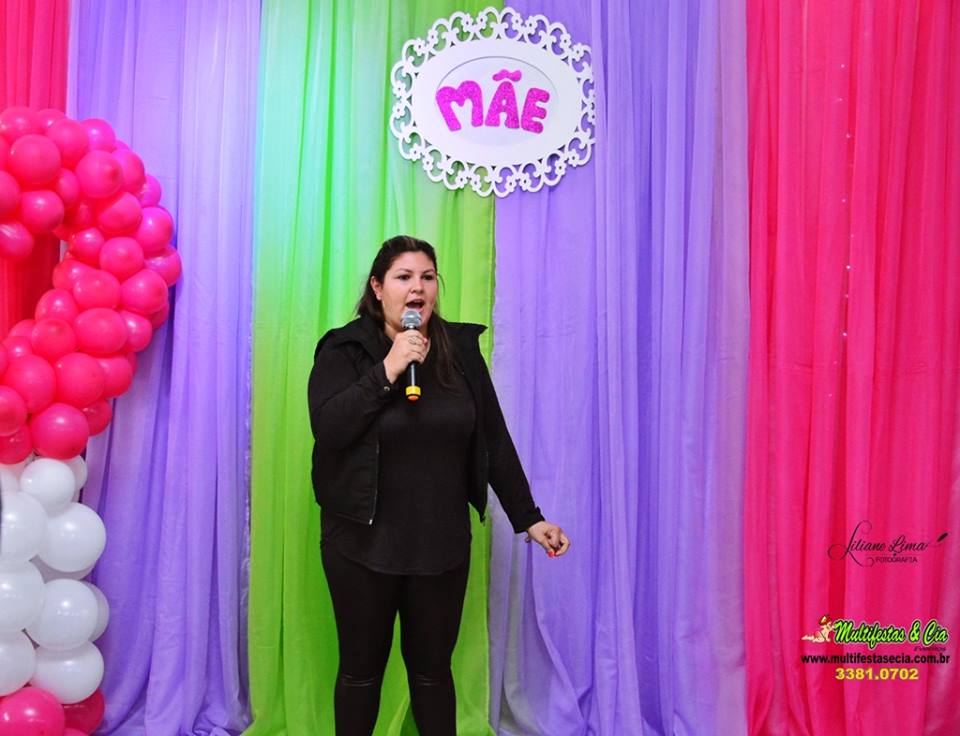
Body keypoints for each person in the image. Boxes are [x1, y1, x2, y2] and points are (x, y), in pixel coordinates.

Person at [307, 235, 570, 736]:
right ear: (378, 287)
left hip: (440, 545)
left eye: (427, 277)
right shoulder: (345, 349)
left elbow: (492, 439)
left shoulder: (460, 351)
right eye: (404, 277)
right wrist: (389, 368)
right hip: (361, 544)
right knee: (361, 672)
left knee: (432, 673)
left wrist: (529, 518)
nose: (418, 288)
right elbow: (330, 428)